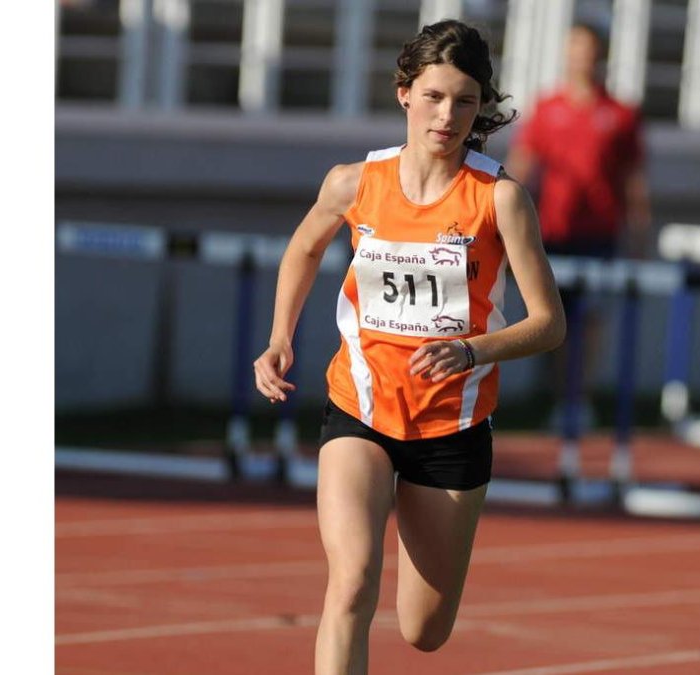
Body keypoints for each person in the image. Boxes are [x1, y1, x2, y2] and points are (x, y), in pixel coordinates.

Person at [252, 19, 565, 675]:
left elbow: (549, 323)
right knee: (354, 578)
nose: (447, 115)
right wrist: (280, 336)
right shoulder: (354, 183)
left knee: (425, 630)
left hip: (451, 423)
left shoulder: (500, 199)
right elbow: (304, 247)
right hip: (360, 407)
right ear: (404, 93)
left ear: (482, 107)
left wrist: (474, 350)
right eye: (434, 96)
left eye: (465, 101)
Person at [505, 22, 652, 432]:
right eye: (574, 49)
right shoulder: (547, 108)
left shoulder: (621, 113)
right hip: (550, 232)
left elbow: (633, 179)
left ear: (600, 55)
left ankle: (577, 401)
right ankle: (555, 398)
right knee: (550, 319)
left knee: (589, 322)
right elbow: (522, 166)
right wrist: (503, 223)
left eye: (588, 49)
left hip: (600, 233)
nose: (581, 57)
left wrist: (639, 232)